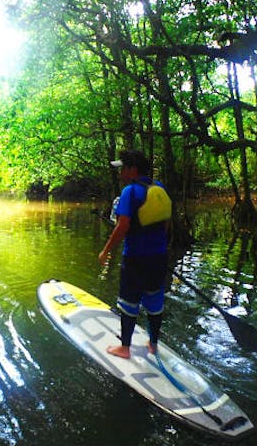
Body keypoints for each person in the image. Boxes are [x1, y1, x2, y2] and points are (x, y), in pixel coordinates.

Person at [98, 150, 170, 359]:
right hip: (159, 257)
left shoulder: (130, 192)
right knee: (155, 301)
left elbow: (123, 226)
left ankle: (125, 348)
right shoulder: (160, 188)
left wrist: (106, 251)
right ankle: (153, 344)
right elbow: (166, 222)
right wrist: (158, 246)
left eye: (123, 168)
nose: (120, 172)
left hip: (135, 260)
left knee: (129, 303)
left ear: (132, 170)